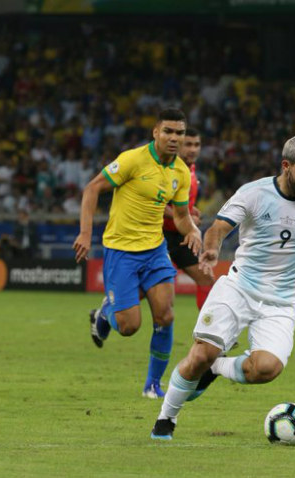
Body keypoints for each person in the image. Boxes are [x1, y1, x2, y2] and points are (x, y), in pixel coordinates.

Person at [150, 134, 295, 440]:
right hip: (239, 287)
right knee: (200, 354)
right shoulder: (254, 193)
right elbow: (218, 228)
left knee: (267, 368)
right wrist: (213, 249)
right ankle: (166, 419)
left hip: (281, 303)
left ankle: (216, 369)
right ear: (286, 166)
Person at [72, 108, 202, 399]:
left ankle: (152, 385)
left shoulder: (180, 171)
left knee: (166, 315)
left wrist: (192, 230)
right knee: (130, 326)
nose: (174, 138)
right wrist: (84, 232)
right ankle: (104, 314)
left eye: (179, 133)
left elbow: (180, 216)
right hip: (122, 251)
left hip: (155, 251)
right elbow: (92, 189)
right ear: (155, 132)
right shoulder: (133, 159)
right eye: (168, 131)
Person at [162, 127, 214, 310]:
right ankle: (105, 313)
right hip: (161, 236)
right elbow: (157, 204)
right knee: (158, 292)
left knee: (206, 279)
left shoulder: (190, 168)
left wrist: (191, 209)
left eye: (197, 145)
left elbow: (177, 201)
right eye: (188, 145)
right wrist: (187, 217)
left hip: (182, 236)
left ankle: (208, 333)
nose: (193, 149)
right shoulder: (169, 168)